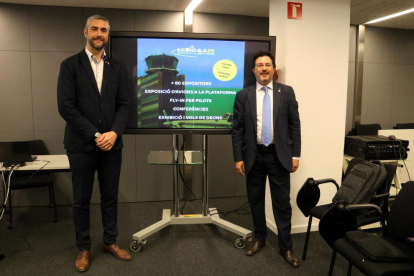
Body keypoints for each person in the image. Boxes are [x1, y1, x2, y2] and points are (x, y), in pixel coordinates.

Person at [57, 15, 131, 272]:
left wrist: (114, 133)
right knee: (81, 199)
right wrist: (95, 135)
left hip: (112, 145)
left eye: (104, 30)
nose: (100, 34)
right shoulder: (70, 66)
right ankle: (84, 248)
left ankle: (110, 242)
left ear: (108, 35)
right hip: (81, 146)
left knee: (110, 197)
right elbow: (66, 107)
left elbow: (124, 105)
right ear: (85, 32)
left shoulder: (118, 67)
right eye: (95, 29)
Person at [231, 50, 301, 268]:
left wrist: (296, 154)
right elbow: (237, 130)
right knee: (256, 201)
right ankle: (259, 238)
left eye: (267, 65)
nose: (263, 68)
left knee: (282, 204)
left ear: (273, 69)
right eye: (259, 65)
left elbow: (294, 125)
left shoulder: (286, 92)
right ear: (253, 70)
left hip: (280, 157)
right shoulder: (244, 95)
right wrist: (238, 157)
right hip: (253, 157)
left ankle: (286, 246)